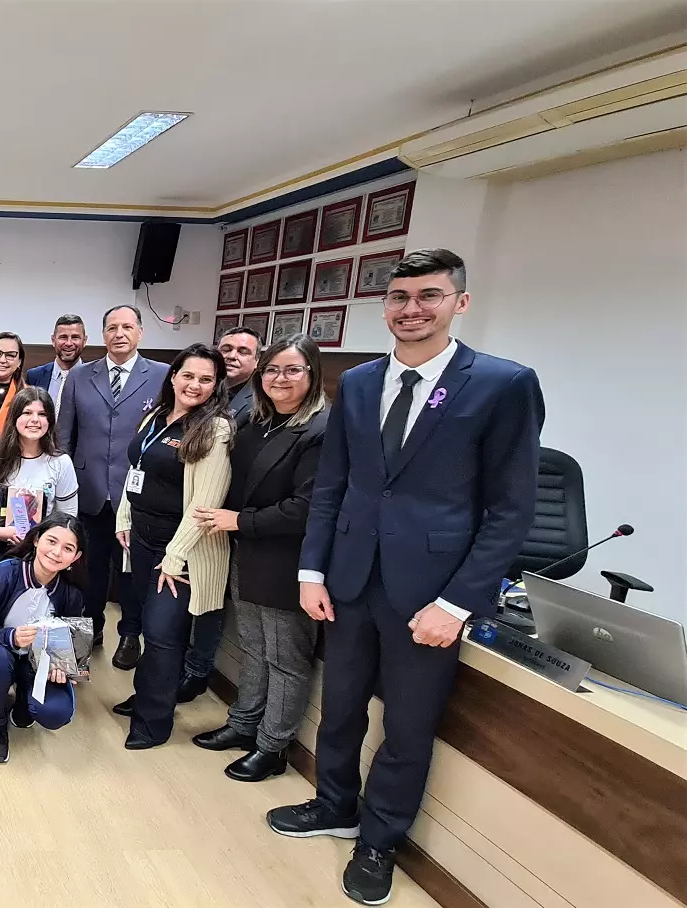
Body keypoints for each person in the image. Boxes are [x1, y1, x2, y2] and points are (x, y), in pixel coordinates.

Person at [267, 249, 543, 906]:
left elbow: (511, 511)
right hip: (350, 577)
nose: (411, 309)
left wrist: (457, 601)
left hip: (429, 591)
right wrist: (312, 570)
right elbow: (332, 485)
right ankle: (333, 804)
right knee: (337, 710)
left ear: (459, 303)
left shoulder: (502, 384)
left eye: (428, 296)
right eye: (398, 298)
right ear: (383, 306)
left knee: (408, 726)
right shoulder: (359, 382)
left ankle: (378, 838)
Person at [189, 335, 330, 782]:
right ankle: (244, 723)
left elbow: (307, 508)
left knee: (285, 659)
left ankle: (272, 747)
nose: (280, 379)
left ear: (312, 374)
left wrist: (239, 522)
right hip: (245, 553)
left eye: (292, 370)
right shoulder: (256, 421)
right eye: (272, 370)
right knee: (253, 647)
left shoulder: (321, 430)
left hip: (287, 561)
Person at [110, 344, 233, 751]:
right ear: (174, 376)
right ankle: (147, 697)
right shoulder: (156, 417)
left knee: (163, 633)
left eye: (205, 379)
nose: (194, 385)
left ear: (216, 386)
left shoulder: (214, 429)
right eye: (188, 375)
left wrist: (175, 556)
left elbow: (206, 504)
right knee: (146, 625)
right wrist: (124, 517)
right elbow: (137, 469)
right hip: (142, 540)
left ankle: (154, 722)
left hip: (181, 551)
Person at [56, 304, 169, 663]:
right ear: (102, 335)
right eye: (112, 328)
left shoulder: (163, 375)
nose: (119, 334)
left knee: (136, 568)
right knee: (91, 565)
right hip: (89, 490)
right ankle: (92, 627)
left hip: (140, 493)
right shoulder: (80, 376)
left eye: (127, 327)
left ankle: (131, 634)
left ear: (140, 332)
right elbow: (64, 436)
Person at [179, 323, 263, 702]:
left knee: (208, 602)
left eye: (243, 351)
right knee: (186, 597)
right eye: (226, 348)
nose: (233, 355)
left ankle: (197, 671)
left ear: (257, 361)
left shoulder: (258, 402)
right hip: (189, 512)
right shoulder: (203, 394)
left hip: (223, 518)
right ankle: (183, 664)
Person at [0, 514, 88, 764]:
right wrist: (9, 636)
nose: (57, 552)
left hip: (37, 663)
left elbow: (74, 651)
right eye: (51, 541)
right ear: (36, 540)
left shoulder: (72, 594)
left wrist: (64, 668)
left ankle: (24, 701)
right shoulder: (4, 573)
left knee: (56, 711)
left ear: (76, 557)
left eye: (68, 548)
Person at [0, 387, 79, 573]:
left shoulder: (61, 463)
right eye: (27, 413)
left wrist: (45, 539)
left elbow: (68, 515)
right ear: (14, 418)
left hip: (40, 548)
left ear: (50, 421)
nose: (35, 419)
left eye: (42, 414)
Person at [25, 314, 88, 412]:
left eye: (75, 337)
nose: (69, 343)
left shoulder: (94, 379)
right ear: (53, 340)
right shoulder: (34, 376)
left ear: (84, 341)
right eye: (63, 337)